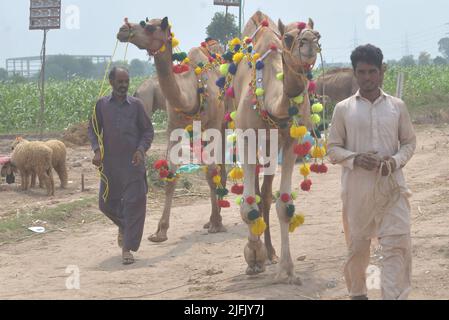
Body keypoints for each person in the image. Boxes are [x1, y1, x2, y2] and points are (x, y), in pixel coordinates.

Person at [327, 44, 416, 300]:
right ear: (355, 73)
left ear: (382, 72)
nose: (367, 77)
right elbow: (332, 148)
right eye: (362, 72)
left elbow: (409, 142)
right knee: (358, 248)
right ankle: (357, 293)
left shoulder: (397, 107)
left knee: (397, 245)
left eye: (372, 71)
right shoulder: (343, 109)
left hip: (392, 188)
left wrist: (395, 161)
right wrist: (355, 159)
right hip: (357, 191)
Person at [88, 67, 154, 265]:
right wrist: (96, 151)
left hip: (134, 165)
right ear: (111, 82)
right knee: (105, 204)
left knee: (135, 206)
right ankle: (125, 227)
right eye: (120, 81)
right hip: (111, 167)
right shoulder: (101, 105)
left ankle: (127, 249)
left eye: (126, 81)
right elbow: (92, 129)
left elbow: (148, 132)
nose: (124, 85)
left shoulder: (136, 106)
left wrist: (141, 150)